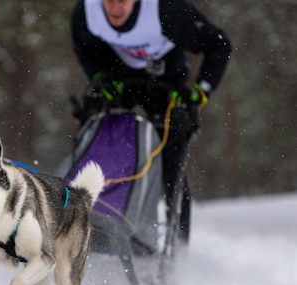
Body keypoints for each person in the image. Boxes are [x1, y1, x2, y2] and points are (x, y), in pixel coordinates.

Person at [70, 0, 231, 243]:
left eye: (122, 1)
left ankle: (175, 250)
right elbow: (85, 48)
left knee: (171, 164)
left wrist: (199, 93)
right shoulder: (87, 12)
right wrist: (100, 77)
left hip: (166, 80)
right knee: (100, 140)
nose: (115, 8)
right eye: (109, 1)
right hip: (119, 78)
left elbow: (219, 45)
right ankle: (90, 225)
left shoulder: (166, 10)